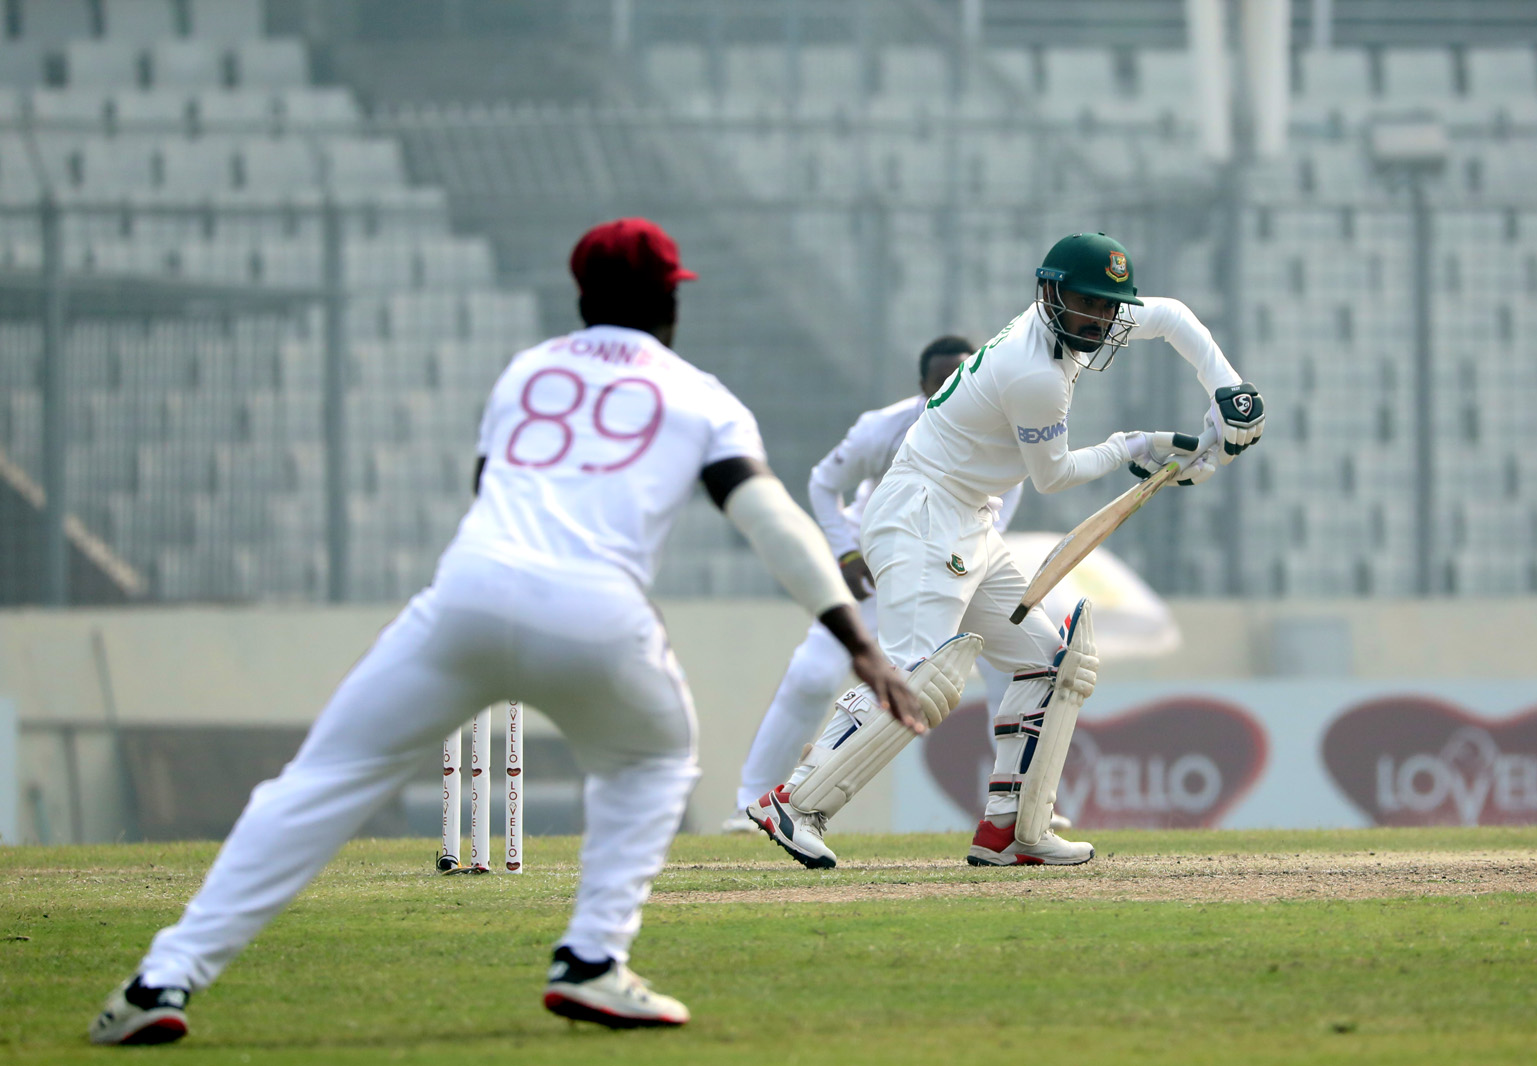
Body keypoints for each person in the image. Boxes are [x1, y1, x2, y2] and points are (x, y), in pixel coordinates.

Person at [86, 218, 924, 1046]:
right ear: (672, 301)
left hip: (468, 595)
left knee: (320, 780)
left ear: (581, 293)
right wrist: (856, 641)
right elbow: (770, 518)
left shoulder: (526, 370)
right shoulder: (702, 395)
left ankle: (164, 977)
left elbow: (491, 486)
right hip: (600, 615)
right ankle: (592, 958)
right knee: (652, 759)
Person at [746, 232, 1263, 868]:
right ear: (1050, 294)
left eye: (1108, 308)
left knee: (1052, 665)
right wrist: (1137, 446)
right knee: (918, 674)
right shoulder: (1035, 374)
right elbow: (1053, 476)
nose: (1098, 321)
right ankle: (791, 802)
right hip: (921, 513)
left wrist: (1229, 390)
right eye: (1085, 305)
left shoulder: (1080, 320)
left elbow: (1176, 316)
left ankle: (1014, 829)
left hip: (970, 519)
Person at [721, 336, 1029, 832]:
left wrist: (968, 561)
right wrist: (844, 551)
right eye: (940, 381)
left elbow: (1001, 508)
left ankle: (1019, 801)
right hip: (876, 572)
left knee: (1017, 663)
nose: (951, 387)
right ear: (922, 385)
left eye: (962, 376)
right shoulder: (882, 429)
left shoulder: (1000, 429)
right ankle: (749, 804)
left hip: (950, 569)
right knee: (812, 675)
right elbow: (824, 482)